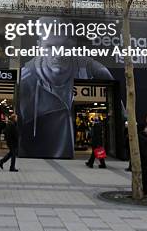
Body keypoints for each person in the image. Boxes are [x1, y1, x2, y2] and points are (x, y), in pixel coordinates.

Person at [19, 17, 114, 158]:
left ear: (73, 44)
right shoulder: (25, 80)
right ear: (39, 46)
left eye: (63, 46)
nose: (57, 54)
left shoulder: (93, 70)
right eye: (50, 47)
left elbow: (121, 117)